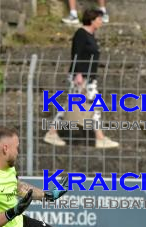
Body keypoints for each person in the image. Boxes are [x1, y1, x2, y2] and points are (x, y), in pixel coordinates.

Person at [46, 8, 119, 148]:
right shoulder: (81, 34)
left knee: (88, 105)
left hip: (90, 77)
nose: (101, 22)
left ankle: (98, 137)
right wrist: (78, 74)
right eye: (99, 19)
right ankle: (99, 138)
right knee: (83, 105)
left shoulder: (91, 35)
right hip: (81, 77)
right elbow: (76, 55)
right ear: (92, 20)